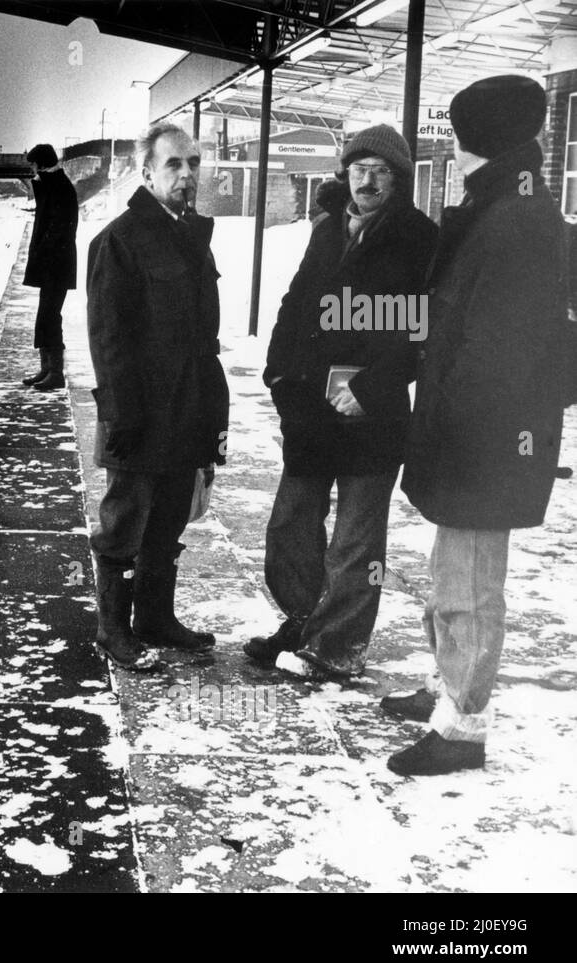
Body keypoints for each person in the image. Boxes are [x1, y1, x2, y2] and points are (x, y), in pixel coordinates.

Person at [384, 76, 567, 776]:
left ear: (475, 143)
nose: (452, 150)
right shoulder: (504, 206)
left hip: (484, 437)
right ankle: (446, 686)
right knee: (448, 575)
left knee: (470, 583)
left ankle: (463, 725)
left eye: (457, 137)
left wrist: (454, 422)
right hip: (472, 430)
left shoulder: (515, 219)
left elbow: (499, 348)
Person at [244, 125, 438, 679]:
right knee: (290, 527)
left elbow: (421, 328)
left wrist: (370, 388)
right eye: (359, 169)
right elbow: (296, 301)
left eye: (381, 171)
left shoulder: (420, 239)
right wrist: (280, 371)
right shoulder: (328, 230)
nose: (368, 180)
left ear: (397, 179)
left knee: (356, 541)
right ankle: (306, 620)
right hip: (310, 405)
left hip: (371, 414)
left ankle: (337, 647)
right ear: (345, 174)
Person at [85, 123, 229, 671]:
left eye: (193, 163)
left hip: (188, 408)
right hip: (140, 413)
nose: (187, 174)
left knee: (168, 522)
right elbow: (109, 340)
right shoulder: (119, 241)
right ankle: (112, 631)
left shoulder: (190, 235)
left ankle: (155, 619)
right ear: (146, 172)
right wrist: (122, 418)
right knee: (125, 525)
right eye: (174, 164)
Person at [21, 144, 79, 391]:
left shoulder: (59, 187)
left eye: (34, 165)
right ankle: (47, 369)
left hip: (57, 264)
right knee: (46, 316)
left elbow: (59, 228)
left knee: (50, 315)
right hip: (52, 265)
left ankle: (56, 373)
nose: (32, 170)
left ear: (42, 164)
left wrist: (44, 253)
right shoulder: (53, 184)